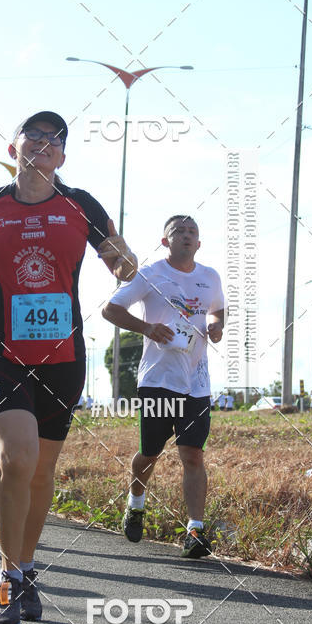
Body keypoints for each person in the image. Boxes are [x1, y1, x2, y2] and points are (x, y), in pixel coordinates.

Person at [0, 110, 138, 624]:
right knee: (17, 453)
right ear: (14, 149)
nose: (44, 144)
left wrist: (124, 262)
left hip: (63, 357)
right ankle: (7, 578)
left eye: (55, 140)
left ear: (63, 157)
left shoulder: (80, 204)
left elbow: (116, 252)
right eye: (35, 136)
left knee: (41, 470)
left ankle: (25, 567)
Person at [103, 215, 225, 559]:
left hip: (197, 382)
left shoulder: (209, 276)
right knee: (151, 452)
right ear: (164, 241)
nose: (186, 236)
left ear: (199, 243)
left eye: (192, 233)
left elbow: (219, 311)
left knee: (192, 453)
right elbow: (110, 310)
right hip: (158, 380)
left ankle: (195, 531)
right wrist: (147, 328)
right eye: (178, 232)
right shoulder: (151, 274)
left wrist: (216, 327)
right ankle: (136, 503)